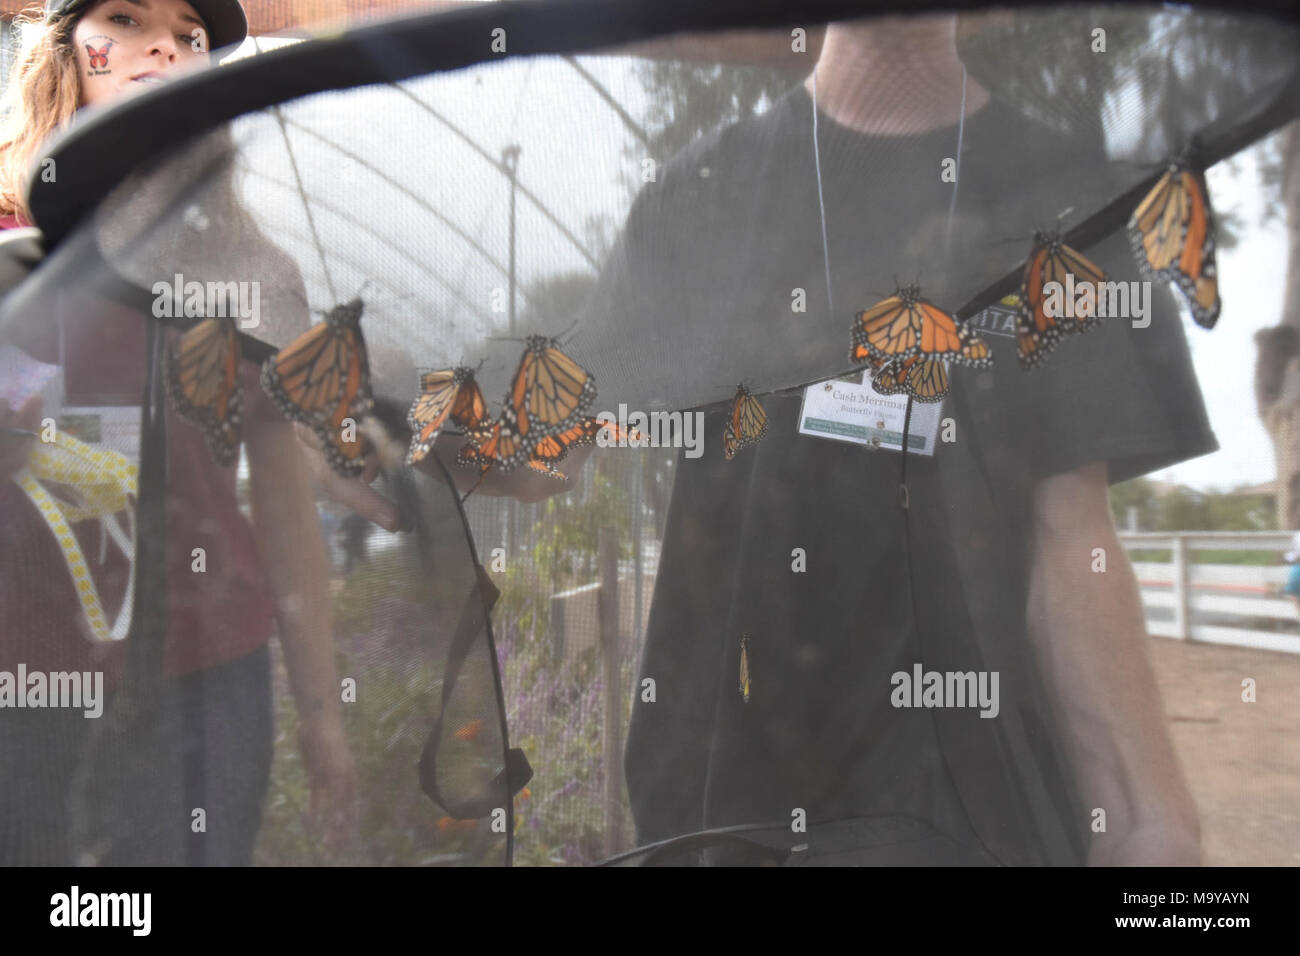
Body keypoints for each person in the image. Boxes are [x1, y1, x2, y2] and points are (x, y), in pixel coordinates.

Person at [510, 13, 1210, 865]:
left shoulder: (1063, 195)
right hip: (727, 823)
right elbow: (546, 451)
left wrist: (1149, 819)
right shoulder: (702, 194)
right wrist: (393, 442)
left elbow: (1074, 539)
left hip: (975, 821)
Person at [0, 0, 375, 864]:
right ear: (66, 56)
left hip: (206, 679)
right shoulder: (14, 245)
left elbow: (286, 520)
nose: (165, 43)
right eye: (126, 18)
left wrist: (323, 722)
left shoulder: (255, 272)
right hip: (25, 676)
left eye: (191, 34)